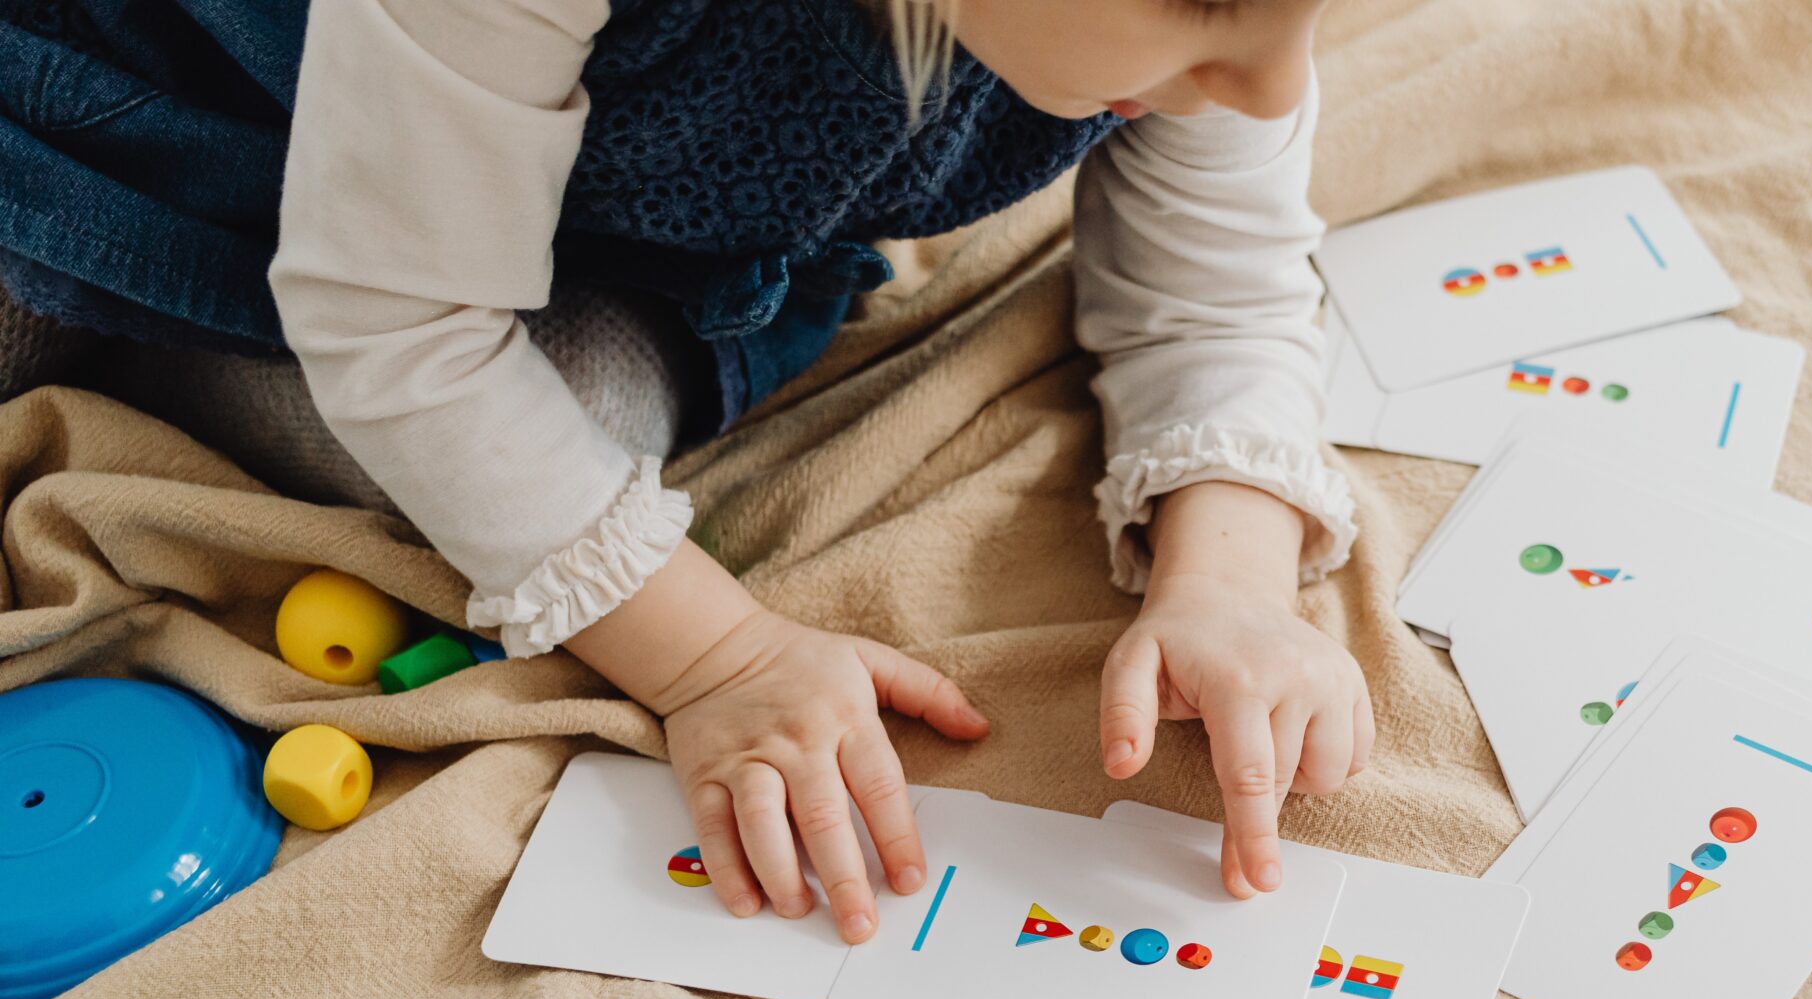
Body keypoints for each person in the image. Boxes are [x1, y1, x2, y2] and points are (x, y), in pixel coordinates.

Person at [0, 0, 1368, 936]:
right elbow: (401, 322)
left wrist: (1232, 579)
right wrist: (718, 662)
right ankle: (115, 312)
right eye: (1210, 3)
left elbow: (1225, 282)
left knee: (579, 416)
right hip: (148, 112)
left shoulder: (1214, 42)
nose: (1279, 84)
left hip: (592, 214)